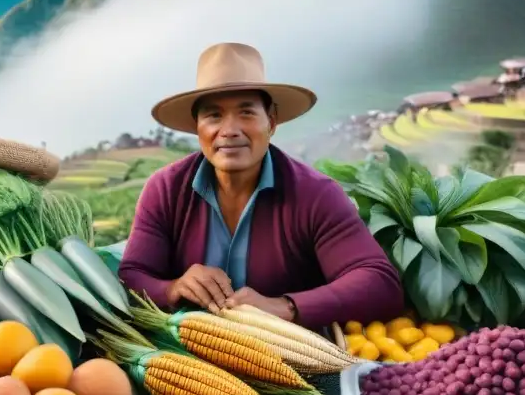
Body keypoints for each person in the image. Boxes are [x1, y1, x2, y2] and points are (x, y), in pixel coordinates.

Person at [118, 43, 404, 330]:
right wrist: (172, 289)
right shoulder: (166, 190)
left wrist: (285, 307)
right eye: (213, 116)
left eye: (246, 113)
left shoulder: (316, 195)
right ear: (197, 127)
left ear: (272, 122)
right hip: (189, 359)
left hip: (291, 361)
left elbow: (380, 283)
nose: (229, 130)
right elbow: (131, 276)